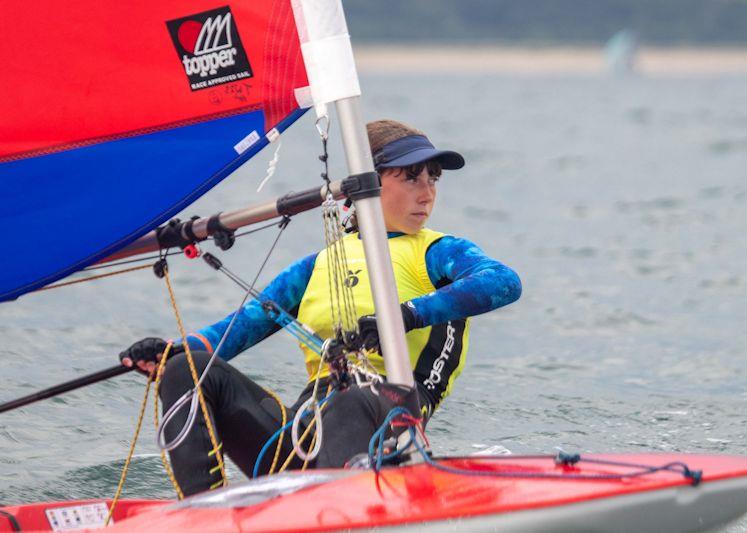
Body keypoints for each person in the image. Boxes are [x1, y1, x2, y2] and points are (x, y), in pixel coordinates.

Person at [119, 119, 522, 496]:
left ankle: (340, 507)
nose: (428, 191)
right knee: (184, 369)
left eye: (432, 178)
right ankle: (204, 513)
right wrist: (171, 350)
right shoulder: (316, 267)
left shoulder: (438, 251)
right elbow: (234, 331)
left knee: (351, 399)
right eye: (412, 176)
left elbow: (503, 282)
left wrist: (407, 314)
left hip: (390, 425)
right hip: (302, 434)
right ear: (367, 183)